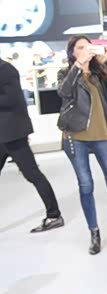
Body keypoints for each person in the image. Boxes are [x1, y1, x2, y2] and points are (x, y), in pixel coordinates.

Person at [58, 36, 107, 255]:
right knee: (85, 185)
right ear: (72, 52)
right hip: (76, 138)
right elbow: (64, 92)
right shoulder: (66, 73)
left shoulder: (100, 73)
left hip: (104, 136)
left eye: (88, 47)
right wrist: (78, 65)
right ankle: (94, 233)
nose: (85, 51)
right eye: (80, 48)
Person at [0, 56, 63, 233]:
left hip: (12, 134)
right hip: (3, 134)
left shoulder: (6, 69)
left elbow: (13, 100)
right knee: (33, 174)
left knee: (32, 174)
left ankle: (54, 215)